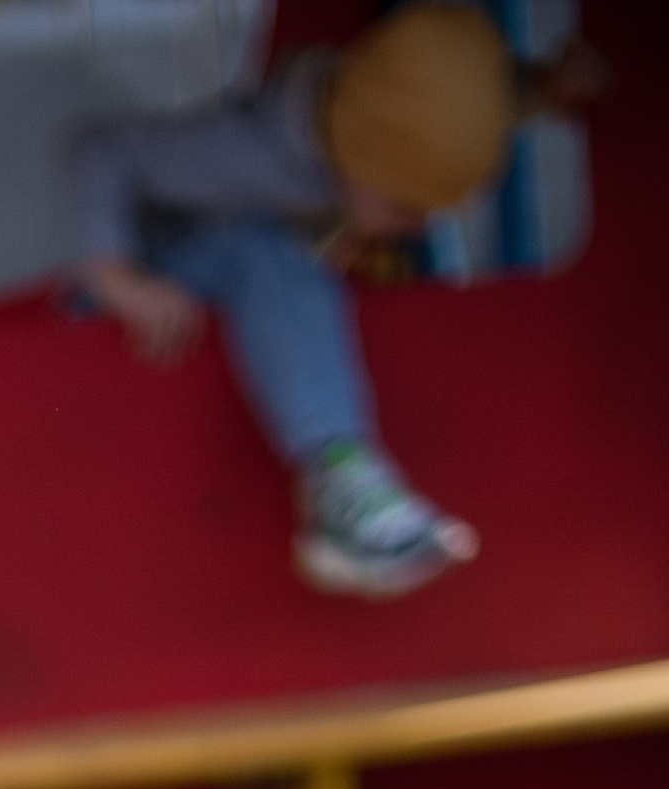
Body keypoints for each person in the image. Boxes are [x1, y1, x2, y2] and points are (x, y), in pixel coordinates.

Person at [69, 4, 606, 600]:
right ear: (363, 156)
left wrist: (544, 90)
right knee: (270, 257)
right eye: (407, 207)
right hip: (142, 295)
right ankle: (339, 483)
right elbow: (102, 151)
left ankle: (345, 479)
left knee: (281, 261)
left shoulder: (361, 133)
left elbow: (447, 115)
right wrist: (116, 276)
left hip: (239, 287)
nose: (416, 227)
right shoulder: (251, 152)